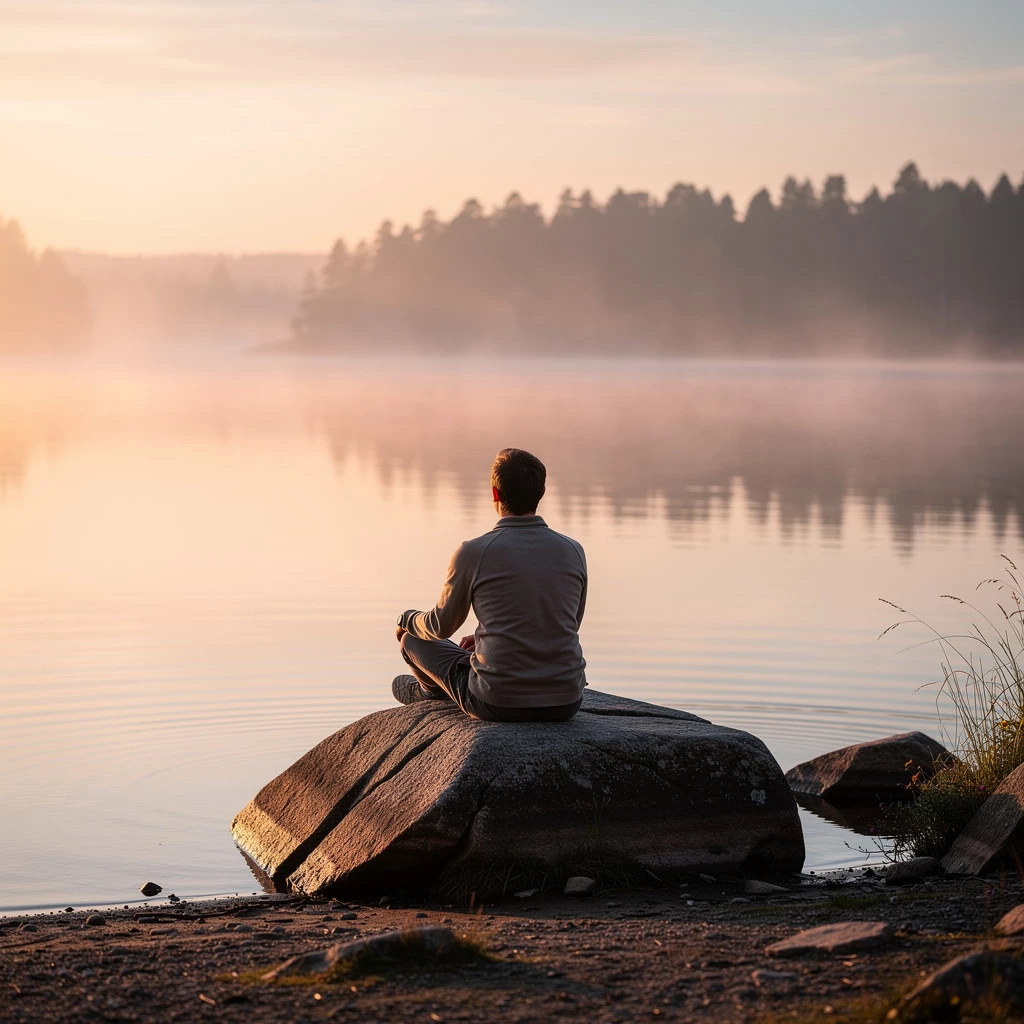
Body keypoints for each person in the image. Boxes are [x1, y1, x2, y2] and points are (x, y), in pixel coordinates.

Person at [393, 448, 587, 722]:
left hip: (496, 702)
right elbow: (568, 623)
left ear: (495, 493)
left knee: (411, 639)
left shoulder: (473, 552)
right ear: (542, 492)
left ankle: (429, 692)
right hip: (566, 701)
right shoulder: (573, 550)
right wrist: (489, 639)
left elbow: (440, 627)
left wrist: (407, 619)